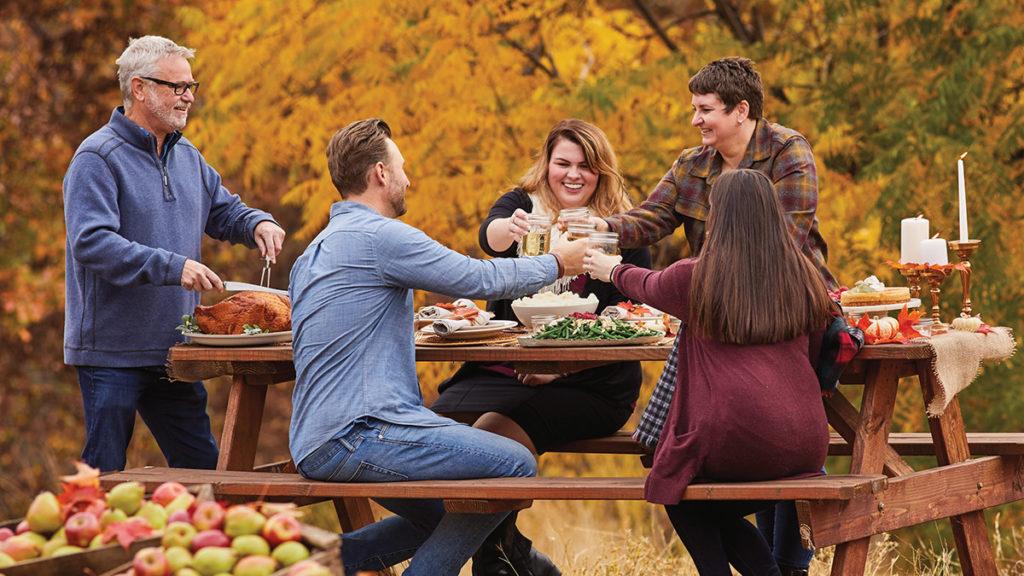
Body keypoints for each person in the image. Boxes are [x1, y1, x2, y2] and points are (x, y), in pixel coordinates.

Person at [288, 118, 588, 576]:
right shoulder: (379, 236)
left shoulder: (315, 249)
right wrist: (555, 262)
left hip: (315, 438)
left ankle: (301, 564)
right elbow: (478, 278)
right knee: (514, 464)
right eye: (401, 167)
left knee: (452, 518)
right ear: (380, 174)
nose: (408, 178)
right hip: (360, 433)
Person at [594, 57, 836, 575]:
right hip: (730, 315)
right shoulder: (693, 164)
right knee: (722, 448)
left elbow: (782, 241)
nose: (696, 120)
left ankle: (785, 564)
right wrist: (596, 229)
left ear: (741, 110)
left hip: (770, 299)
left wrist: (612, 269)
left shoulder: (789, 151)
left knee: (677, 478)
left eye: (705, 110)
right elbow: (650, 219)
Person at [430, 118, 650, 576]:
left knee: (489, 437)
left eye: (585, 166)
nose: (573, 174)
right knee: (433, 433)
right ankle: (515, 552)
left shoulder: (622, 228)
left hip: (591, 383)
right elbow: (489, 236)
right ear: (546, 164)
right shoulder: (522, 208)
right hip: (503, 370)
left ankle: (495, 560)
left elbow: (631, 318)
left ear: (601, 171)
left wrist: (561, 367)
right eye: (563, 163)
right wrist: (509, 231)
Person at [63, 36, 286, 472]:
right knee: (104, 477)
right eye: (176, 86)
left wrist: (257, 222)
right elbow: (92, 243)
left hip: (175, 353)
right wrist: (172, 266)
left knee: (204, 475)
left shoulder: (188, 156)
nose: (187, 96)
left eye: (190, 86)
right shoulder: (96, 158)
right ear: (139, 88)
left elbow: (224, 211)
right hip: (112, 355)